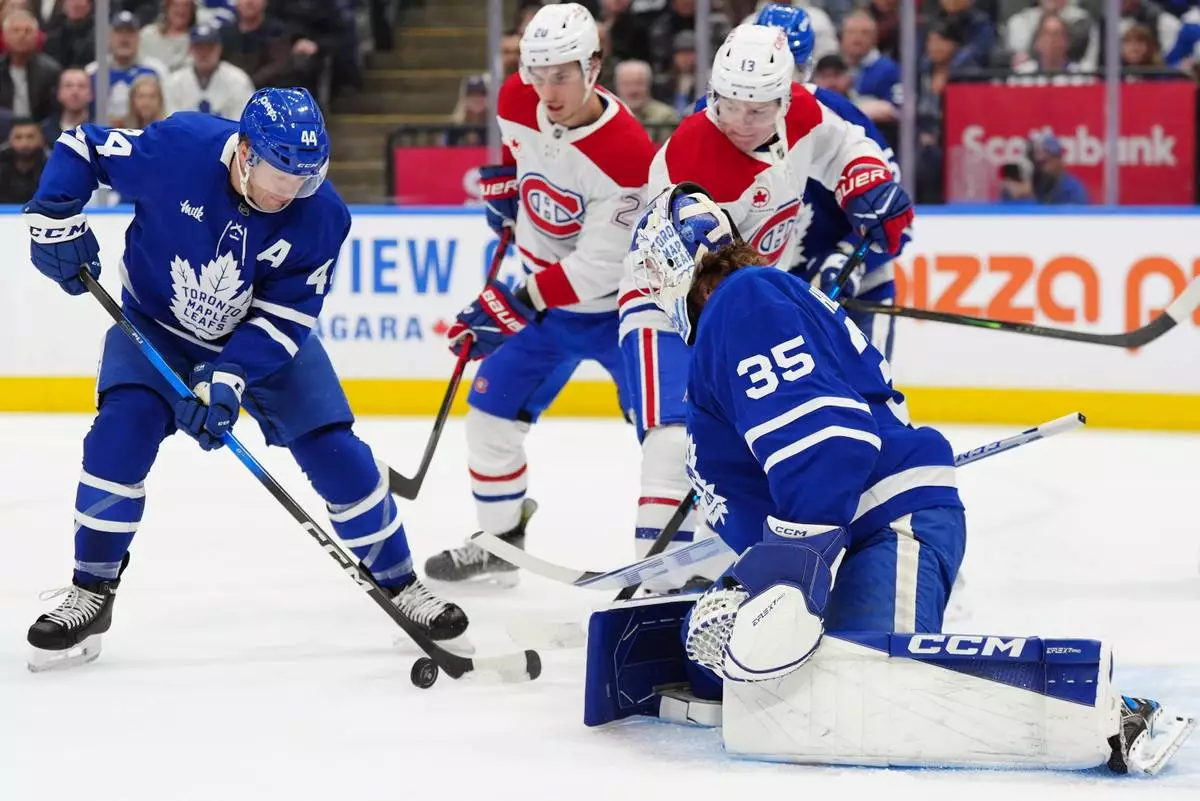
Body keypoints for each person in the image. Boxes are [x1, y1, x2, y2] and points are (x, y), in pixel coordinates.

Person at [618, 183, 1192, 776]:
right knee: (747, 680)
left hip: (882, 526)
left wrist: (791, 574)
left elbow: (828, 444)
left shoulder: (744, 300)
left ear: (669, 262)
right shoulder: (740, 313)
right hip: (836, 536)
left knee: (865, 700)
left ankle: (1104, 715)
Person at [22, 86, 467, 672]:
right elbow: (83, 146)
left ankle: (401, 583)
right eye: (278, 177)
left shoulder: (323, 215)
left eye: (303, 181)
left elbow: (285, 319)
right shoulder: (180, 147)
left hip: (260, 344)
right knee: (117, 440)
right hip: (156, 326)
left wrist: (228, 376)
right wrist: (54, 214)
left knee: (338, 454)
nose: (288, 195)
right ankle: (92, 589)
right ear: (245, 152)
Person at [634, 16, 911, 578]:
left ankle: (749, 562)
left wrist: (864, 178)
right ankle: (655, 577)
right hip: (670, 307)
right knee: (672, 437)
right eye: (728, 103)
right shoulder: (691, 158)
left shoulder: (806, 113)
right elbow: (690, 276)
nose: (740, 120)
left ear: (786, 97)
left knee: (768, 439)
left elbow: (845, 145)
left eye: (757, 108)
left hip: (751, 307)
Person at [421, 3, 656, 586]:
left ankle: (674, 564)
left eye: (562, 75)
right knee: (490, 416)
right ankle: (500, 542)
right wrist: (507, 187)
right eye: (538, 73)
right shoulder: (515, 97)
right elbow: (518, 152)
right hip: (546, 304)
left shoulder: (628, 153)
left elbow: (599, 267)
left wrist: (515, 301)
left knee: (667, 436)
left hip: (621, 311)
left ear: (593, 67)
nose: (547, 90)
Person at [85, 10, 167, 124]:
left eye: (130, 32)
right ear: (110, 36)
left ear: (139, 37)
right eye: (119, 32)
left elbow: (165, 110)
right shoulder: (92, 71)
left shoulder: (155, 70)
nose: (124, 39)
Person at [164, 24, 254, 119]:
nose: (204, 53)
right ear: (190, 49)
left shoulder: (238, 80)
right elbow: (170, 121)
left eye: (209, 47)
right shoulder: (174, 81)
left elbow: (243, 121)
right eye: (199, 47)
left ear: (219, 49)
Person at [138, 0, 198, 72]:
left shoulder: (197, 40)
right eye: (175, 5)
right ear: (167, 8)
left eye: (186, 6)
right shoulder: (148, 34)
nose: (181, 10)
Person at [0, 116, 46, 202]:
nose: (24, 143)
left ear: (41, 139)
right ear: (10, 140)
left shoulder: (52, 166)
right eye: (18, 137)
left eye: (30, 137)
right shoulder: (2, 165)